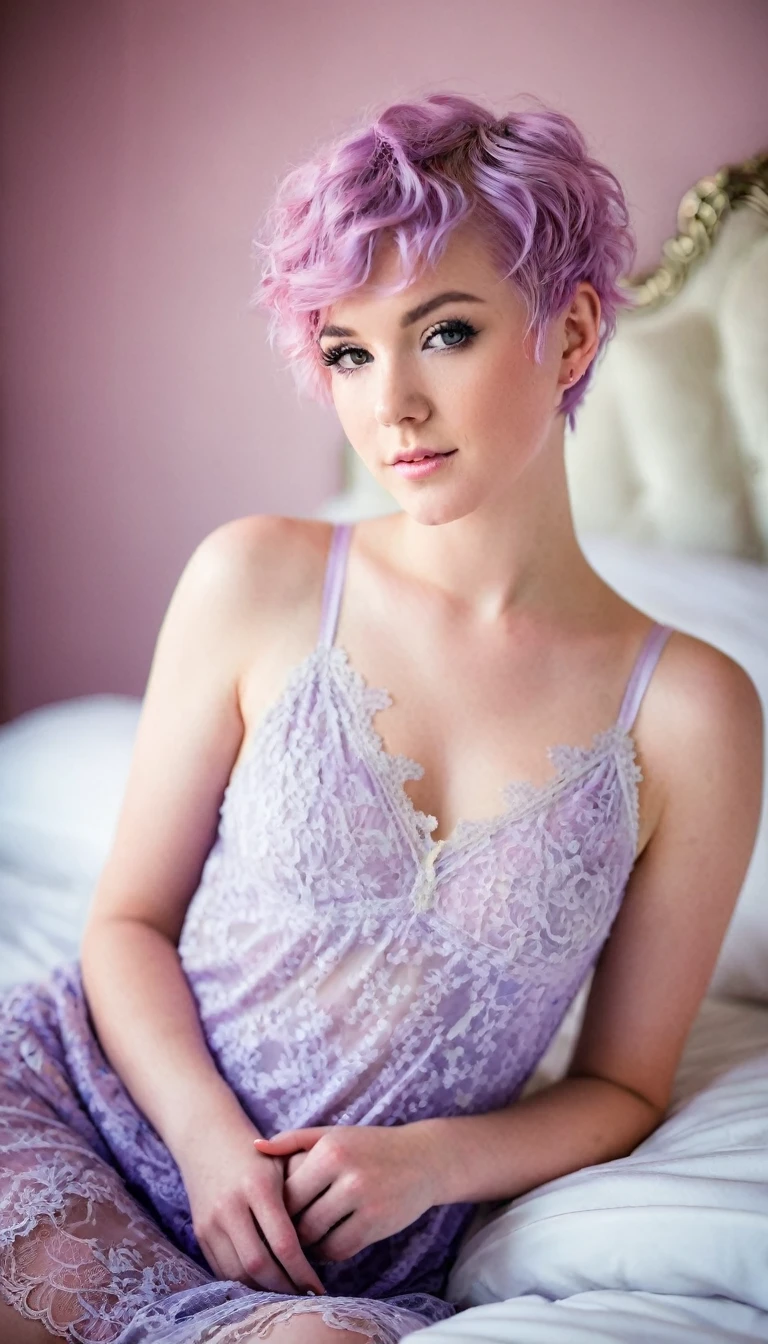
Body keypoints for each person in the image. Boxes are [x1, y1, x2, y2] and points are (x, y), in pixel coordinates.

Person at [0, 90, 763, 1344]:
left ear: (570, 333)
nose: (388, 404)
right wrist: (205, 1145)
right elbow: (125, 923)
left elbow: (625, 1085)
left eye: (444, 331)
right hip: (85, 1106)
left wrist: (434, 1165)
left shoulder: (692, 714)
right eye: (348, 351)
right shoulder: (259, 577)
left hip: (341, 1261)